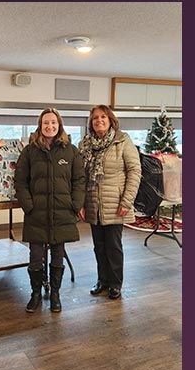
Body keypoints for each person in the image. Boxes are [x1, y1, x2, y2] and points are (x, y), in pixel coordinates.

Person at [14, 108, 85, 312]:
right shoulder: (29, 151)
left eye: (54, 122)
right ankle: (35, 293)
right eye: (46, 122)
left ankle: (55, 294)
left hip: (63, 213)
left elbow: (79, 180)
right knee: (35, 256)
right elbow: (20, 181)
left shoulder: (71, 151)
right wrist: (28, 206)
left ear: (59, 125)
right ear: (40, 125)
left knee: (57, 255)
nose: (50, 126)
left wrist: (75, 204)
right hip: (36, 213)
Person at [78, 105, 142, 300]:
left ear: (110, 119)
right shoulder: (85, 144)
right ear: (91, 122)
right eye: (95, 117)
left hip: (116, 203)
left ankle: (115, 283)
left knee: (113, 246)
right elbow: (80, 176)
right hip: (92, 203)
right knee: (99, 246)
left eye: (103, 116)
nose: (99, 120)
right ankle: (102, 280)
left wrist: (127, 200)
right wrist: (80, 203)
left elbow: (135, 171)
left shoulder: (122, 141)